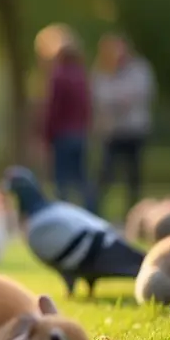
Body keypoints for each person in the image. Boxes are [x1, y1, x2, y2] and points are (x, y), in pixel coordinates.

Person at [92, 33, 155, 217]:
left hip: (134, 130)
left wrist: (119, 99)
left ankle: (132, 212)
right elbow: (100, 97)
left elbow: (142, 93)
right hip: (112, 131)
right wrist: (120, 99)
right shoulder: (102, 71)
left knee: (133, 176)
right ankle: (96, 209)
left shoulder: (140, 69)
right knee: (105, 173)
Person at [37, 24, 95, 212]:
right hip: (79, 133)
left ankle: (62, 211)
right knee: (81, 177)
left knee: (61, 178)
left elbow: (53, 110)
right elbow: (87, 107)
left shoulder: (58, 75)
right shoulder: (81, 74)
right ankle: (92, 209)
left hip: (62, 133)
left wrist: (46, 135)